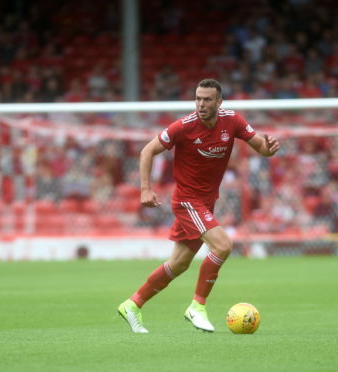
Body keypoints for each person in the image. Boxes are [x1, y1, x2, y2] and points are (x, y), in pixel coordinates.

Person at [117, 79, 281, 333]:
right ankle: (197, 306)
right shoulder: (184, 126)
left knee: (179, 264)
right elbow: (147, 151)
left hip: (206, 202)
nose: (201, 104)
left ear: (219, 102)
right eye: (198, 99)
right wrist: (146, 189)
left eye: (207, 99)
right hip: (187, 201)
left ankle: (133, 304)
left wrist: (269, 149)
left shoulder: (232, 120)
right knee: (224, 245)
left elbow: (260, 146)